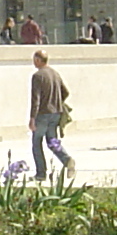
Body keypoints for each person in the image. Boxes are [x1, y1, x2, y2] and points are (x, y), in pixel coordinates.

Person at [27, 50, 76, 181]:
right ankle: (67, 160)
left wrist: (32, 118)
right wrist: (57, 102)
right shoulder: (55, 74)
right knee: (52, 141)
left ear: (38, 60)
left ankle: (41, 173)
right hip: (56, 113)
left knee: (37, 143)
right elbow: (65, 92)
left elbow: (35, 99)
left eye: (34, 59)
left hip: (42, 114)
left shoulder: (37, 76)